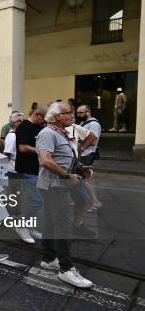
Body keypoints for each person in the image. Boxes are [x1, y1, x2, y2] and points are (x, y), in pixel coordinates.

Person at [36, 102, 93, 288]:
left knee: (52, 222)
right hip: (53, 185)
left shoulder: (61, 133)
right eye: (68, 113)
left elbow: (63, 159)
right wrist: (67, 175)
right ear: (57, 116)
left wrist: (80, 170)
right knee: (61, 224)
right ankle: (66, 269)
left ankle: (48, 258)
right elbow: (45, 161)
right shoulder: (47, 133)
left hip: (59, 184)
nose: (72, 116)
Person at [14, 104, 48, 244]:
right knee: (37, 200)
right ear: (38, 114)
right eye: (45, 119)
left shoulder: (40, 127)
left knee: (35, 201)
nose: (46, 122)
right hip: (26, 170)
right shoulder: (24, 126)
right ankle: (21, 226)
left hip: (38, 170)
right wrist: (41, 150)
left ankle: (29, 227)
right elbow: (22, 148)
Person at [76, 105, 102, 211]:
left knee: (83, 180)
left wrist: (78, 141)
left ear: (88, 112)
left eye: (80, 113)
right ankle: (79, 199)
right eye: (77, 113)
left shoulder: (93, 124)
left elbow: (93, 141)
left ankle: (95, 202)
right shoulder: (83, 123)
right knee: (78, 178)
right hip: (81, 154)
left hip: (87, 154)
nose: (78, 115)